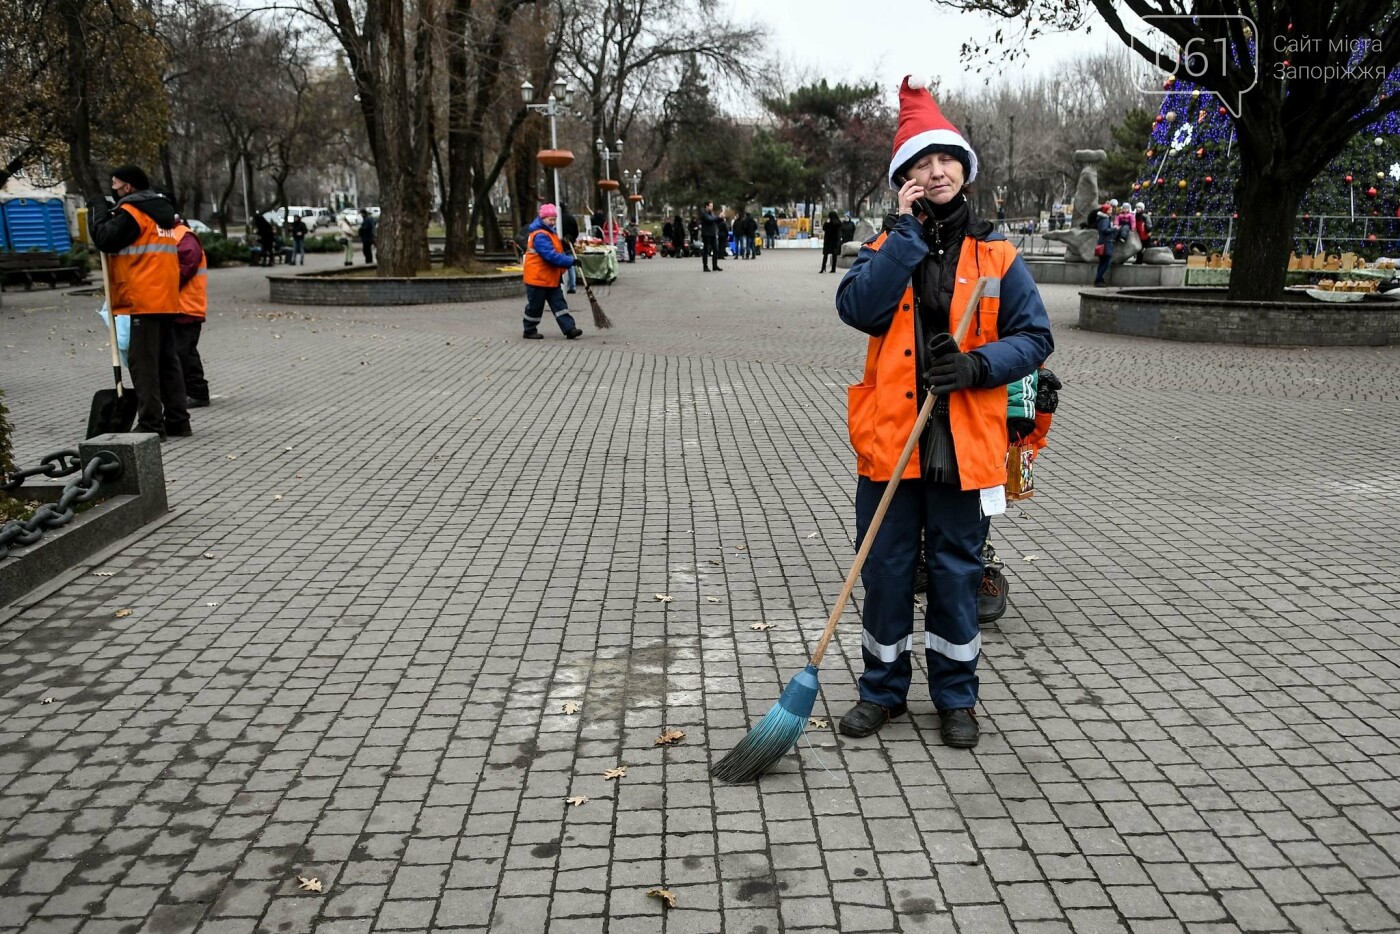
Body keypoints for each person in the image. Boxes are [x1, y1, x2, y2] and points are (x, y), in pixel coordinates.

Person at [834, 76, 1053, 748]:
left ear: (964, 169)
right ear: (905, 178)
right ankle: (882, 692)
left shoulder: (998, 255)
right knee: (887, 570)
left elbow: (1035, 336)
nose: (937, 171)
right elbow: (860, 309)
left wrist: (977, 367)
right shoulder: (883, 248)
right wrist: (902, 236)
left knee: (958, 573)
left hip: (964, 438)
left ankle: (956, 699)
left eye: (947, 160)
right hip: (891, 438)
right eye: (922, 164)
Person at [87, 165, 190, 439]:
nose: (113, 188)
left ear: (128, 187)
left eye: (115, 184)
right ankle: (178, 420)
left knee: (143, 363)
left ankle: (151, 423)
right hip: (165, 297)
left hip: (143, 298)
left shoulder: (133, 213)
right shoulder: (160, 214)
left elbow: (104, 239)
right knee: (167, 361)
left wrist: (97, 210)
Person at [521, 203, 582, 340]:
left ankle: (569, 329)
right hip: (538, 278)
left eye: (554, 219)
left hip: (549, 277)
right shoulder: (540, 235)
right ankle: (529, 330)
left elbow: (555, 250)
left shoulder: (548, 232)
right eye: (550, 219)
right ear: (542, 218)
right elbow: (550, 256)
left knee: (559, 303)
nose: (553, 222)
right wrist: (570, 261)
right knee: (535, 306)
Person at [171, 214, 211, 408]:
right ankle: (189, 391)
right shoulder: (173, 234)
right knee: (180, 351)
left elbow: (185, 268)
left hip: (187, 306)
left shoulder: (183, 236)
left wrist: (163, 286)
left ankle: (197, 392)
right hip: (177, 306)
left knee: (184, 351)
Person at [1094, 202, 1115, 286]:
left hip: (1102, 242)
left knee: (1102, 263)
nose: (1111, 211)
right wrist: (1114, 229)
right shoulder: (1105, 220)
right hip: (1106, 243)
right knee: (1106, 263)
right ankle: (1098, 279)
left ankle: (1100, 279)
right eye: (1110, 209)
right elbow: (1104, 230)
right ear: (1106, 211)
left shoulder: (1101, 219)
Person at [561, 203, 580, 291]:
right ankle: (573, 285)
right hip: (569, 244)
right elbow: (576, 231)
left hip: (559, 244)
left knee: (559, 264)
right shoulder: (571, 218)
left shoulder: (557, 219)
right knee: (571, 265)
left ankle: (561, 285)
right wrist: (572, 239)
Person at [699, 202, 723, 272]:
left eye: (712, 206)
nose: (712, 207)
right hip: (706, 234)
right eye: (710, 206)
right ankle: (705, 266)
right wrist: (718, 217)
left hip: (712, 234)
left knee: (716, 249)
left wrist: (721, 218)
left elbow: (715, 220)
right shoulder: (704, 213)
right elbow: (710, 220)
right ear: (706, 206)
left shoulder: (712, 213)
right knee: (706, 250)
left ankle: (714, 266)